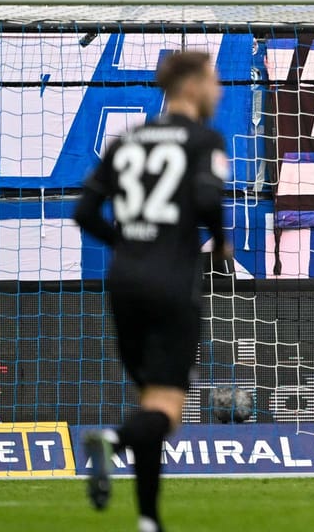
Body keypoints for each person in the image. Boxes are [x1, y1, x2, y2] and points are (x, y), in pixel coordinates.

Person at [74, 50, 232, 532]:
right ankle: (112, 441)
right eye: (213, 81)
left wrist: (126, 243)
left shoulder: (127, 140)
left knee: (151, 403)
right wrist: (220, 241)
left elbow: (83, 213)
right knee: (167, 409)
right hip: (171, 280)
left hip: (124, 281)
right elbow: (207, 198)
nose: (218, 91)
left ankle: (147, 518)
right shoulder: (204, 139)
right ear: (191, 85)